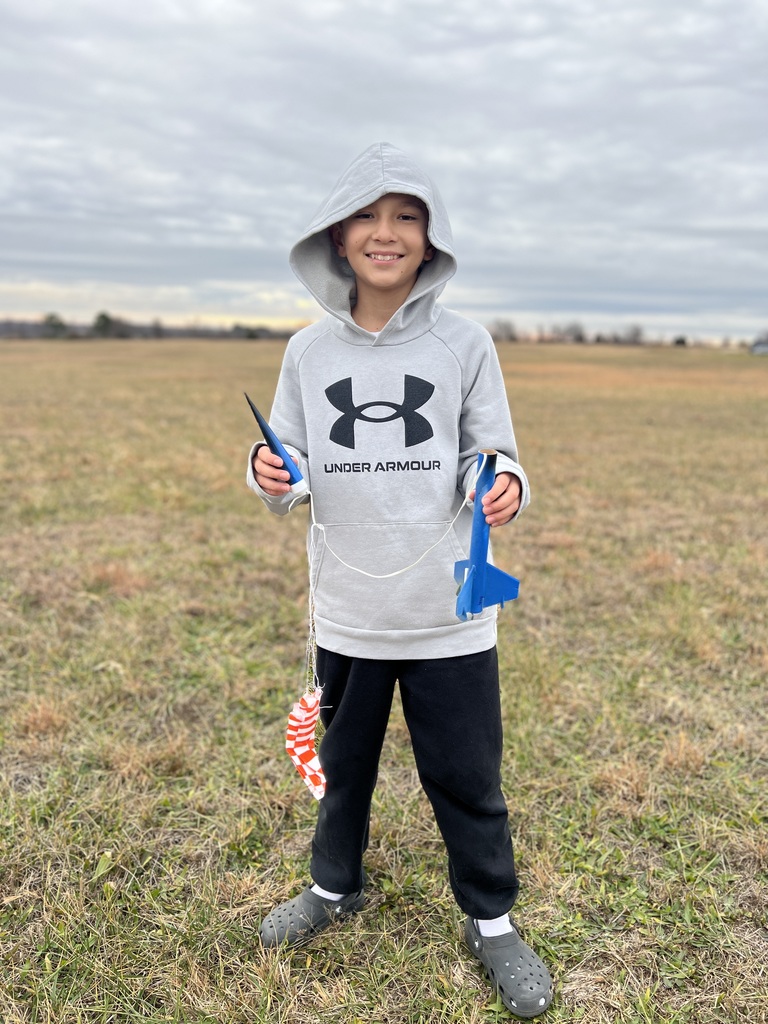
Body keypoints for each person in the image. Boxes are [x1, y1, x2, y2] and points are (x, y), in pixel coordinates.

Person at [247, 142, 553, 1018]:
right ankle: (333, 886)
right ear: (338, 237)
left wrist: (500, 482)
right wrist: (271, 474)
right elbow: (291, 453)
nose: (387, 233)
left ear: (431, 238)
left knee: (466, 773)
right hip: (347, 614)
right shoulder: (308, 351)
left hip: (449, 613)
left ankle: (492, 920)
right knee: (340, 768)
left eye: (408, 216)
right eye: (369, 216)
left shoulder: (466, 342)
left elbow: (489, 451)